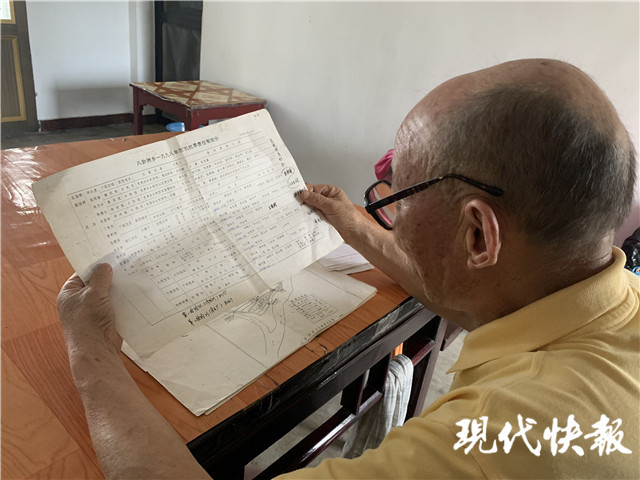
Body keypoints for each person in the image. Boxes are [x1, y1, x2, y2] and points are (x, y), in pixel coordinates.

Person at [58, 58, 639, 479]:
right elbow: (461, 283)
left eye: (397, 195)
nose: (388, 210)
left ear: (479, 235)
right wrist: (353, 224)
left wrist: (91, 353)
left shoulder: (499, 442)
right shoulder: (598, 304)